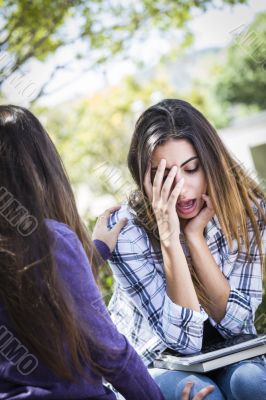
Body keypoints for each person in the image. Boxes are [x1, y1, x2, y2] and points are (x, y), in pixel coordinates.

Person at [0, 105, 214, 400]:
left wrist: (96, 251)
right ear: (39, 166)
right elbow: (110, 352)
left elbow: (41, 289)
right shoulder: (50, 241)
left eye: (190, 169)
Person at [107, 99, 266, 400]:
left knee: (252, 382)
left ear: (212, 163)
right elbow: (184, 341)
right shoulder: (126, 232)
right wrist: (170, 238)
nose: (180, 189)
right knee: (201, 395)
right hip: (159, 359)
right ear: (143, 177)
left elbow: (237, 324)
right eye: (163, 176)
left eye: (191, 169)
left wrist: (196, 239)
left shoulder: (249, 213)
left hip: (231, 354)